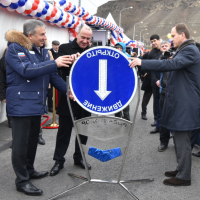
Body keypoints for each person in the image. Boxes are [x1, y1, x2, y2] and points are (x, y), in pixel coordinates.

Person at [5, 19, 73, 196]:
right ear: (30, 35)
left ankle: (29, 170)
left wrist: (70, 91)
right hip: (21, 105)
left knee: (32, 141)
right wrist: (54, 63)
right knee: (20, 145)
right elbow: (26, 70)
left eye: (45, 34)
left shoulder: (42, 52)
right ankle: (22, 180)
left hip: (36, 105)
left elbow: (52, 76)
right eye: (42, 34)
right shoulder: (14, 49)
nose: (45, 37)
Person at [129, 23, 200, 186]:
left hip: (185, 103)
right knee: (179, 138)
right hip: (181, 101)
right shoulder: (185, 50)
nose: (171, 39)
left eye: (173, 36)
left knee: (182, 139)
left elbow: (171, 65)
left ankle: (184, 177)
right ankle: (181, 168)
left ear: (183, 35)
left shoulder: (190, 50)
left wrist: (142, 62)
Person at [50, 24, 92, 176]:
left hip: (87, 98)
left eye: (88, 38)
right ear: (77, 35)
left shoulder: (92, 52)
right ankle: (58, 160)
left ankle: (79, 157)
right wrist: (71, 60)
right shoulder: (65, 48)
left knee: (83, 130)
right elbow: (57, 68)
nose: (85, 41)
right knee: (64, 131)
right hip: (68, 96)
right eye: (83, 37)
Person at [157, 41, 172, 151]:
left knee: (177, 118)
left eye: (166, 46)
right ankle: (163, 141)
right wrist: (163, 57)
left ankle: (179, 142)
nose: (164, 48)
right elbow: (157, 67)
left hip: (176, 93)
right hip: (164, 92)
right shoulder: (161, 58)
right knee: (163, 118)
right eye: (162, 46)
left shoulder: (178, 56)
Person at [148, 34, 162, 133]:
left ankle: (164, 125)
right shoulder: (151, 53)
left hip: (165, 83)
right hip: (155, 82)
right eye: (152, 41)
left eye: (155, 40)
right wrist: (155, 80)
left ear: (159, 40)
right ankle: (156, 120)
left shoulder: (164, 51)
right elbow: (151, 68)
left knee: (164, 105)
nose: (153, 43)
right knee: (156, 103)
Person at [114, 42, 131, 121]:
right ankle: (117, 117)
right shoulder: (112, 56)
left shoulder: (127, 56)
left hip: (124, 82)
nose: (119, 49)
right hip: (115, 82)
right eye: (117, 47)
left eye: (120, 48)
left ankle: (126, 117)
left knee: (124, 99)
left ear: (123, 48)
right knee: (116, 99)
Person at [0, 47, 12, 128]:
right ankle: (10, 121)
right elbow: (1, 79)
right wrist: (3, 95)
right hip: (8, 88)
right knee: (9, 105)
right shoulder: (3, 60)